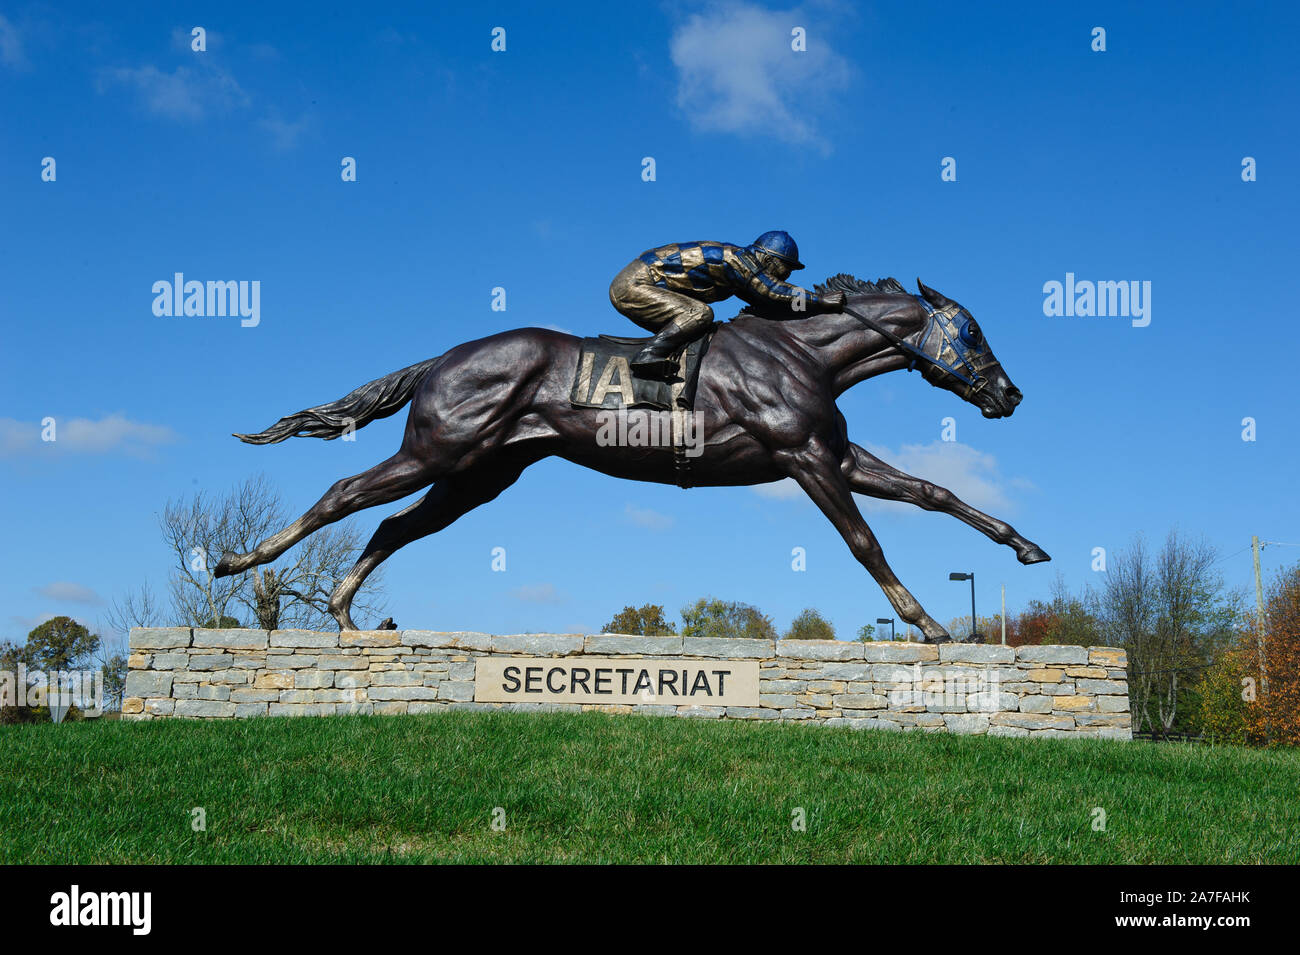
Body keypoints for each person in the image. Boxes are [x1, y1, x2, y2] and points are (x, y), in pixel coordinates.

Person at [609, 231, 846, 379]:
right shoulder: (739, 262)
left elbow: (765, 301)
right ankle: (649, 356)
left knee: (697, 327)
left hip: (643, 282)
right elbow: (772, 290)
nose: (786, 275)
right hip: (635, 285)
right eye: (786, 267)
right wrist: (819, 300)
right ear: (767, 258)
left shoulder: (737, 269)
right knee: (699, 314)